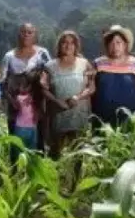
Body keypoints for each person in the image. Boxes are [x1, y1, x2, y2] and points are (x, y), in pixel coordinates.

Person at [41, 30, 95, 158]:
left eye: (72, 43)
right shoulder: (49, 66)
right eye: (64, 42)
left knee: (78, 154)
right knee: (56, 154)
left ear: (76, 46)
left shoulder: (85, 64)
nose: (68, 45)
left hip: (79, 115)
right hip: (58, 116)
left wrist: (78, 97)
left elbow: (92, 87)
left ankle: (76, 178)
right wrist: (56, 101)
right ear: (59, 45)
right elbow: (43, 89)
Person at [0, 23, 52, 152]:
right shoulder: (9, 56)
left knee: (39, 141)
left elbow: (51, 72)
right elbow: (2, 82)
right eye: (23, 32)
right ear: (18, 34)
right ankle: (15, 170)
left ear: (35, 35)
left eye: (30, 32)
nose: (26, 35)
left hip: (37, 106)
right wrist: (12, 101)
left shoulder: (42, 53)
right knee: (16, 142)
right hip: (16, 108)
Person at [91, 25, 135, 129]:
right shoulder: (98, 64)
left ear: (125, 45)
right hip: (101, 120)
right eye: (111, 43)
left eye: (118, 43)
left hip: (130, 119)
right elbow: (90, 88)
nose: (115, 47)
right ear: (107, 45)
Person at [8, 71, 39, 160]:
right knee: (31, 150)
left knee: (19, 151)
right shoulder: (35, 98)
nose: (19, 88)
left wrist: (9, 96)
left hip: (20, 127)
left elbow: (16, 107)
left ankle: (19, 170)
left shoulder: (19, 98)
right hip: (33, 127)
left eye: (21, 85)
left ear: (29, 87)